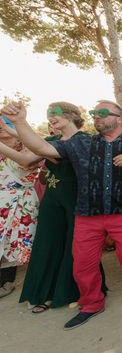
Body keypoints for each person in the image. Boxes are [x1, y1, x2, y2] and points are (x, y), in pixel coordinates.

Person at [2, 100, 122, 329]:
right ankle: (92, 303)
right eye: (94, 112)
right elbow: (41, 149)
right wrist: (19, 121)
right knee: (82, 264)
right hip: (87, 215)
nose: (97, 116)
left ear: (120, 118)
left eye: (103, 112)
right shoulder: (81, 143)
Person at [18, 103, 106, 312]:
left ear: (71, 115)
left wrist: (19, 122)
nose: (50, 118)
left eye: (55, 114)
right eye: (48, 115)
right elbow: (27, 160)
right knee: (48, 243)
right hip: (52, 198)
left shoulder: (84, 140)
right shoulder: (52, 140)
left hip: (75, 197)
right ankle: (45, 293)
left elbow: (40, 149)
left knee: (73, 246)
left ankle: (71, 291)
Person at [0, 117, 40, 298]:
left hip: (21, 201)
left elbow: (26, 164)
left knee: (20, 241)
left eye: (5, 125)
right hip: (2, 201)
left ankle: (10, 281)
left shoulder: (28, 147)